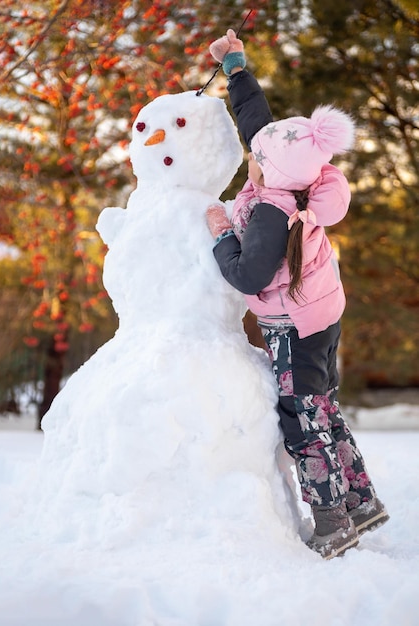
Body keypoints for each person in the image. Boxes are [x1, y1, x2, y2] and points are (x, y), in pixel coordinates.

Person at [206, 29, 389, 559]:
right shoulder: (303, 175)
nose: (251, 155)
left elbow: (247, 277)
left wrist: (221, 231)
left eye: (256, 157)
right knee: (324, 406)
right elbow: (258, 123)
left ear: (272, 169)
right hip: (322, 314)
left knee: (302, 418)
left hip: (295, 326)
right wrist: (235, 65)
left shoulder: (270, 212)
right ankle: (361, 500)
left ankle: (332, 521)